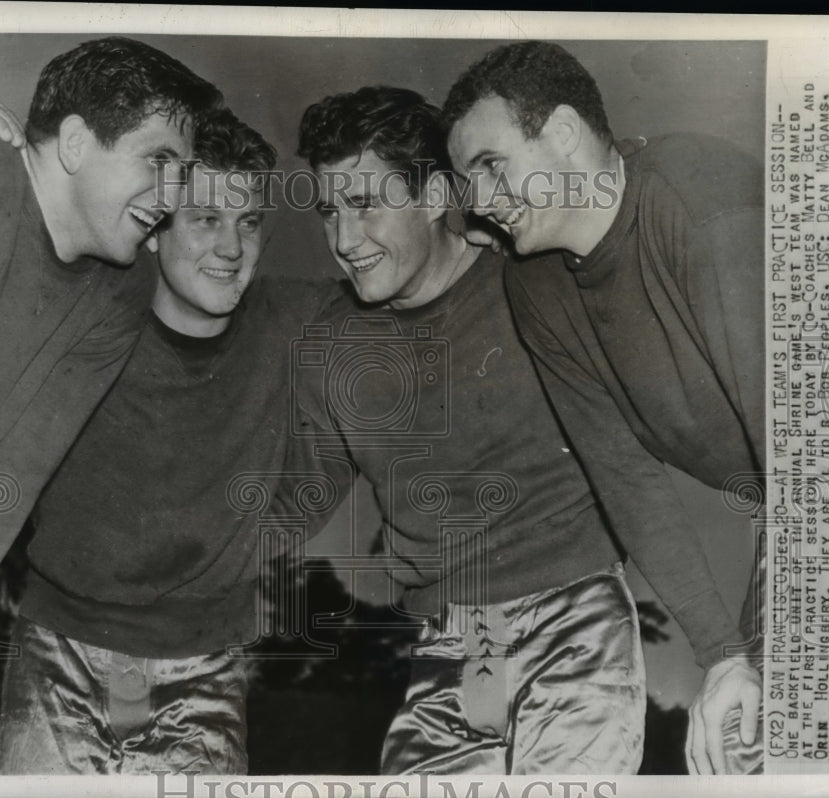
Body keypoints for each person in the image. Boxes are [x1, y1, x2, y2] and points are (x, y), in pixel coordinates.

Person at [281, 85, 743, 775]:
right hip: (451, 645)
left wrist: (722, 651)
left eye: (366, 204)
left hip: (574, 619)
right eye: (328, 211)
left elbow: (630, 468)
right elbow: (294, 498)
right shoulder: (336, 343)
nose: (344, 240)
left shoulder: (533, 283)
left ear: (437, 196)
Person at [0, 94, 334, 773]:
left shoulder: (292, 322)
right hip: (59, 656)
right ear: (155, 227)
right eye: (205, 219)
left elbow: (409, 313)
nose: (233, 247)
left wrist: (264, 527)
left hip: (205, 673)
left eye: (250, 221)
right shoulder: (87, 317)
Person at [0, 37, 221, 773]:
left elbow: (3, 483)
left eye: (183, 173)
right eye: (157, 161)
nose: (173, 195)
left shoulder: (119, 290)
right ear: (73, 142)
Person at [443, 40, 765, 775]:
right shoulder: (537, 283)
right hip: (797, 497)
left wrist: (761, 658)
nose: (480, 202)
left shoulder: (703, 206)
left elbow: (814, 466)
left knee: (783, 740)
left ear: (562, 133)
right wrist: (721, 657)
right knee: (741, 740)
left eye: (491, 167)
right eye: (467, 182)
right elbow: (626, 475)